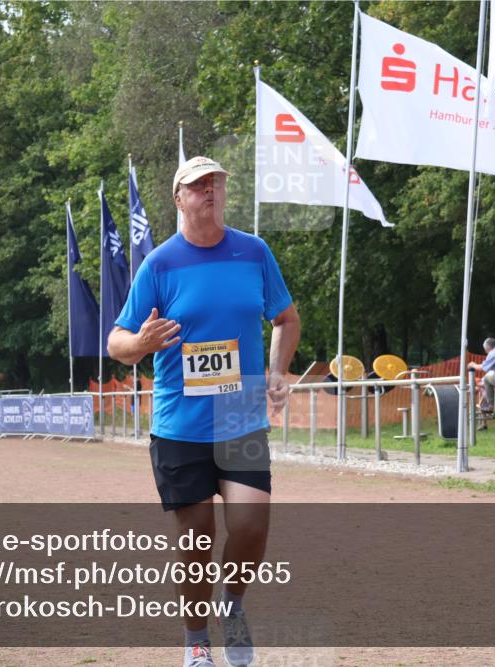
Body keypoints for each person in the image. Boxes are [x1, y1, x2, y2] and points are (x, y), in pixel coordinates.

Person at [108, 156, 301, 667]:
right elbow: (117, 341)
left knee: (251, 523)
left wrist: (277, 370)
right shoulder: (160, 265)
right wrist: (141, 342)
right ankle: (196, 640)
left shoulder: (253, 251)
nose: (210, 191)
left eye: (216, 182)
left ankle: (232, 607)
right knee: (196, 542)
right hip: (180, 424)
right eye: (198, 185)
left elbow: (285, 318)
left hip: (240, 414)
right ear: (179, 198)